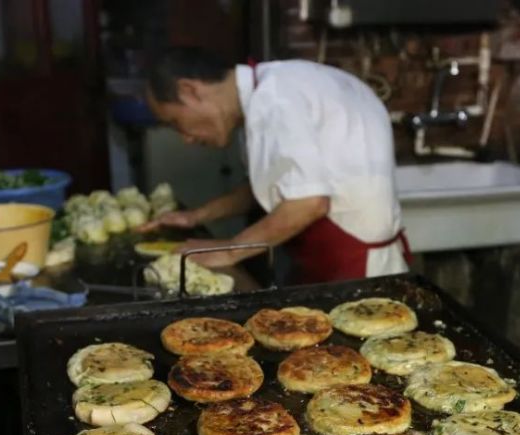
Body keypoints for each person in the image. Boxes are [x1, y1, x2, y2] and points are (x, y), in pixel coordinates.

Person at [139, 47, 410, 284]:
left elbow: (308, 203)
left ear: (190, 91)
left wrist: (230, 250)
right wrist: (197, 216)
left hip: (357, 265)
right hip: (329, 257)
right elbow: (279, 183)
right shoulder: (274, 88)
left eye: (175, 122)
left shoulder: (276, 99)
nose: (185, 138)